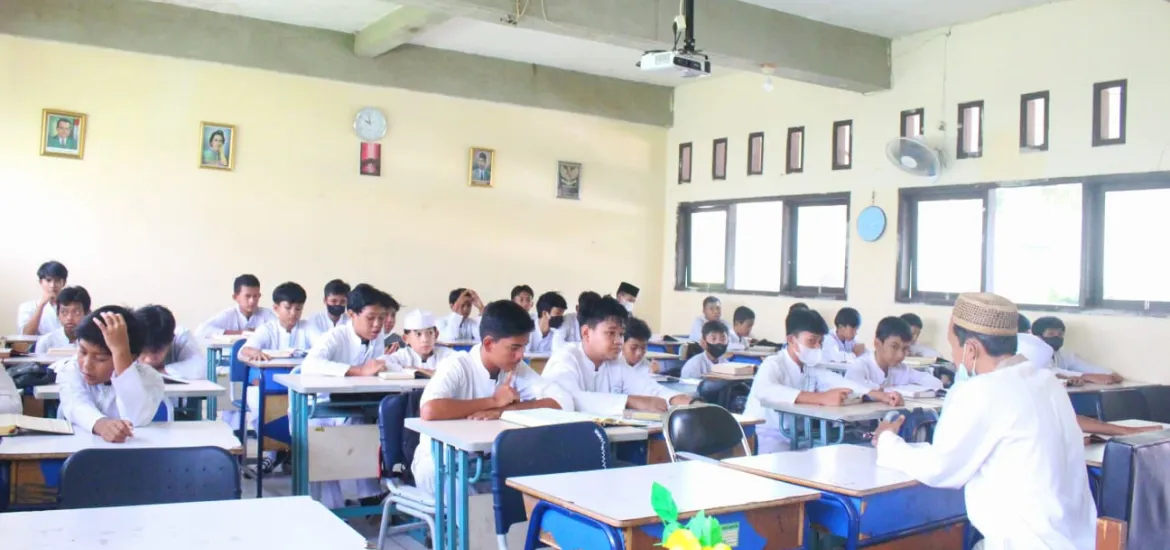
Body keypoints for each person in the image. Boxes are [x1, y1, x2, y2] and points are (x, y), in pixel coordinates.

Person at [871, 293, 1095, 548]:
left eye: (954, 347)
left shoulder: (983, 390)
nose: (954, 357)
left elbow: (940, 469)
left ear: (971, 349)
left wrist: (887, 441)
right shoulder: (1047, 382)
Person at [412, 300, 573, 494]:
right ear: (488, 343)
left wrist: (505, 410)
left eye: (524, 347)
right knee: (469, 500)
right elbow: (429, 410)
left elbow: (562, 401)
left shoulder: (515, 368)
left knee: (535, 485)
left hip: (485, 463)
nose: (521, 355)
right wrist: (493, 402)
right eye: (514, 348)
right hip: (440, 463)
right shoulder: (457, 365)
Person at [744, 308, 901, 453]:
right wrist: (821, 398)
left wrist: (877, 394)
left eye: (820, 342)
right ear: (792, 340)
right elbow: (766, 390)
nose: (817, 347)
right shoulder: (773, 363)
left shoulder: (810, 366)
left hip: (800, 436)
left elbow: (838, 381)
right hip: (767, 436)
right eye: (811, 341)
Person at [300, 283, 394, 508]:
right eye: (371, 318)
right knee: (325, 452)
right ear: (352, 314)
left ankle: (369, 497)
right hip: (318, 409)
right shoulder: (335, 336)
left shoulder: (377, 338)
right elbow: (310, 364)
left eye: (381, 318)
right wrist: (357, 370)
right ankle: (332, 509)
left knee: (364, 432)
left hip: (353, 406)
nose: (377, 324)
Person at [543, 296, 694, 415]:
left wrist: (677, 399)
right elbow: (570, 399)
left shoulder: (615, 362)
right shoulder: (565, 359)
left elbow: (646, 387)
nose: (619, 341)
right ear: (586, 333)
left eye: (621, 334)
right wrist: (629, 401)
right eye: (610, 333)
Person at [58, 307, 165, 443]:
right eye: (83, 352)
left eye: (101, 359)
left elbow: (137, 417)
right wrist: (101, 424)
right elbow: (75, 404)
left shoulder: (150, 379)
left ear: (132, 358)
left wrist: (120, 351)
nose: (86, 365)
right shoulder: (71, 369)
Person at [845, 317, 943, 390]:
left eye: (905, 348)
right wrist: (890, 390)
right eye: (894, 347)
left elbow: (936, 383)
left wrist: (909, 388)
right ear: (877, 343)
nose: (900, 355)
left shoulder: (902, 369)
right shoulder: (860, 366)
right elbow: (854, 387)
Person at [238, 282, 315, 362]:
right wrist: (253, 352)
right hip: (271, 369)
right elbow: (244, 350)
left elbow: (321, 347)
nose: (293, 313)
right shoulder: (267, 329)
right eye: (288, 307)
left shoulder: (308, 326)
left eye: (298, 309)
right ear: (276, 308)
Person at [1031, 316, 1122, 384]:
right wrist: (1085, 377)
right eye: (1051, 334)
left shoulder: (1062, 353)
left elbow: (1085, 367)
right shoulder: (1032, 353)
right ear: (1037, 337)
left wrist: (1110, 374)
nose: (1056, 337)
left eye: (1060, 334)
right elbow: (1049, 372)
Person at [135, 305, 205, 380]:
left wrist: (158, 373)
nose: (148, 359)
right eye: (143, 351)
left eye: (156, 352)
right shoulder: (129, 338)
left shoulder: (180, 336)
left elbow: (201, 367)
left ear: (171, 340)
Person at [196, 274, 276, 339]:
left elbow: (279, 331)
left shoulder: (266, 314)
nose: (252, 301)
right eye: (247, 296)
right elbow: (201, 331)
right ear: (235, 297)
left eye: (255, 296)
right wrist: (241, 333)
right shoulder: (228, 314)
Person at [383, 309, 453, 373]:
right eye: (418, 334)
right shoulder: (403, 355)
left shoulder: (446, 354)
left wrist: (414, 369)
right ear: (405, 338)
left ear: (436, 335)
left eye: (430, 333)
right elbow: (384, 363)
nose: (425, 339)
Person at [17, 260, 69, 335]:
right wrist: (41, 305)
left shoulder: (71, 307)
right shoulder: (28, 307)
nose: (52, 285)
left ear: (64, 283)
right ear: (41, 282)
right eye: (48, 280)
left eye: (57, 280)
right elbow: (25, 335)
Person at [34, 286, 90, 354]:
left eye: (76, 312)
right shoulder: (45, 342)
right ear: (58, 314)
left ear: (87, 314)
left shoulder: (93, 342)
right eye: (64, 312)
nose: (69, 317)